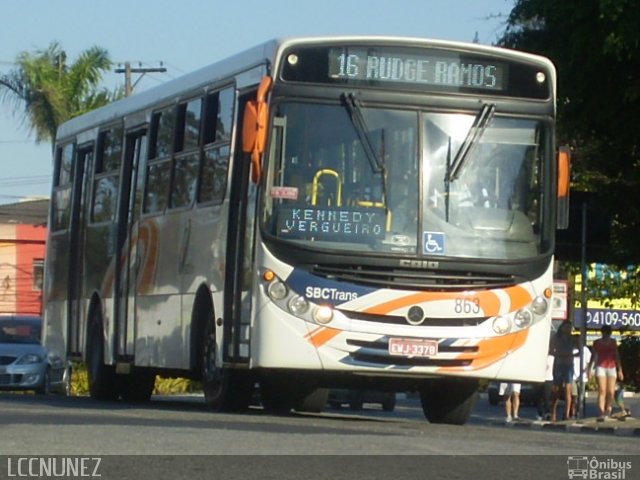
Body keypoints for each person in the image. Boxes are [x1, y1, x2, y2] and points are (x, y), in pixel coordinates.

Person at [587, 325, 624, 421]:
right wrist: (589, 369)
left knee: (611, 391)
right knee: (602, 390)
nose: (606, 335)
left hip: (612, 367)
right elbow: (593, 356)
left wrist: (620, 369)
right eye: (605, 333)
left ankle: (608, 409)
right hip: (601, 367)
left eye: (608, 333)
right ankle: (601, 412)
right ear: (602, 333)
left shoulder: (613, 342)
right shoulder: (597, 343)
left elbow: (617, 356)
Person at [551, 321, 575, 421]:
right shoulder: (556, 338)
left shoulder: (573, 339)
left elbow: (581, 349)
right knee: (557, 389)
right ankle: (553, 411)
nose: (568, 329)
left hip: (569, 365)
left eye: (570, 328)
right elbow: (550, 350)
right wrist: (559, 354)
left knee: (568, 389)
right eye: (566, 327)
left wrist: (572, 355)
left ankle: (567, 413)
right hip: (559, 364)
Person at [570, 340, 592, 419]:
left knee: (581, 396)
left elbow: (589, 361)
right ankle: (573, 412)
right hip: (572, 375)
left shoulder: (585, 350)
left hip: (582, 376)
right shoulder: (571, 349)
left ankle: (580, 412)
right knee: (574, 395)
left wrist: (588, 371)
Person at [536, 349, 554, 421]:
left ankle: (548, 413)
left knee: (547, 397)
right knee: (539, 397)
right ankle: (539, 413)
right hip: (539, 379)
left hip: (549, 379)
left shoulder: (552, 357)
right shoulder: (539, 357)